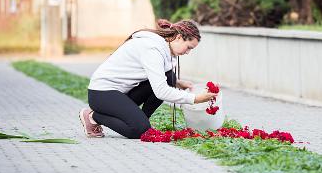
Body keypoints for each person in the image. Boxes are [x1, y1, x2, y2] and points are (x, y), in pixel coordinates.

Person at [79, 19, 218, 139]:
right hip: (102, 93)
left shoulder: (164, 47)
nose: (188, 53)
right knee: (139, 130)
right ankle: (93, 116)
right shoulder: (152, 48)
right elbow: (161, 91)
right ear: (179, 37)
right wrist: (196, 98)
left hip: (120, 93)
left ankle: (139, 119)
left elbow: (159, 75)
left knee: (170, 77)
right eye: (189, 48)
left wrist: (177, 83)